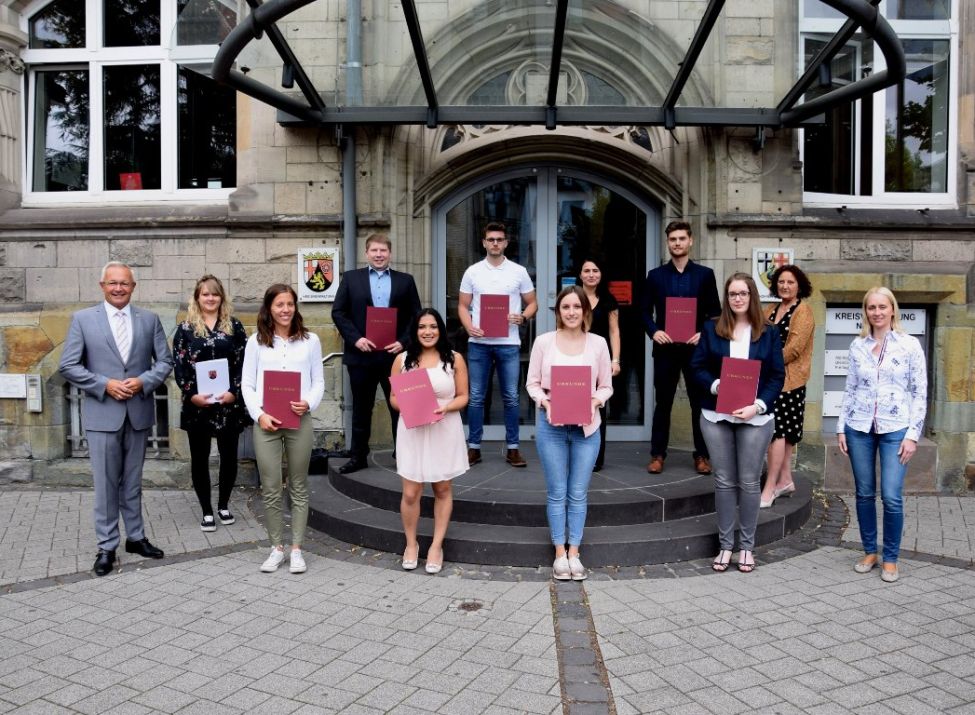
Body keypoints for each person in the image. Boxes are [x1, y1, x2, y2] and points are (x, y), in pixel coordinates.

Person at [59, 262, 173, 577]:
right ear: (102, 285)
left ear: (133, 286)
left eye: (124, 283)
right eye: (113, 283)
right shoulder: (83, 320)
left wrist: (143, 382)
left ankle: (135, 538)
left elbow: (165, 361)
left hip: (137, 412)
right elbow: (68, 365)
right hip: (102, 414)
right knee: (106, 485)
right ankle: (107, 545)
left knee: (133, 482)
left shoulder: (149, 320)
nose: (119, 288)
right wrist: (105, 384)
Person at [691, 273, 784, 574]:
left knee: (748, 481)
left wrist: (757, 405)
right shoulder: (712, 327)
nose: (738, 298)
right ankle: (725, 545)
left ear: (752, 296)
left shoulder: (767, 331)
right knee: (724, 480)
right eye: (732, 294)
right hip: (716, 416)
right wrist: (717, 386)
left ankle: (746, 546)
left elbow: (776, 376)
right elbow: (697, 367)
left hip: (755, 418)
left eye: (743, 293)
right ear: (726, 298)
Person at [838, 287, 926, 584]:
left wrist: (913, 434)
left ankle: (890, 558)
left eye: (882, 307)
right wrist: (841, 427)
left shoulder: (910, 345)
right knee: (864, 494)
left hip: (895, 429)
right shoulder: (857, 346)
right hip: (859, 427)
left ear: (892, 310)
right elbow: (849, 389)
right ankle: (869, 551)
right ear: (866, 312)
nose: (877, 312)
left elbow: (919, 393)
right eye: (871, 307)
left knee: (891, 496)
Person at [526, 286, 613, 581]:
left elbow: (606, 385)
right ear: (558, 311)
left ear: (585, 310)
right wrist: (545, 401)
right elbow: (532, 383)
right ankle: (559, 553)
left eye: (577, 307)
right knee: (557, 492)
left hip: (587, 429)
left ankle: (574, 552)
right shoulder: (543, 342)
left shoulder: (599, 343)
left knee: (577, 493)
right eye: (566, 307)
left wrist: (595, 400)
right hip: (551, 426)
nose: (572, 312)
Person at [241, 284, 324, 574]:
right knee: (271, 486)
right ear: (269, 308)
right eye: (280, 305)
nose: (286, 310)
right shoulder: (257, 342)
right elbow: (247, 385)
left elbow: (318, 382)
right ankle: (276, 547)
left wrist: (308, 402)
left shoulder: (311, 341)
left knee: (299, 485)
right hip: (266, 423)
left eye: (290, 304)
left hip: (299, 421)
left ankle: (297, 548)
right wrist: (259, 414)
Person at [332, 234, 421, 475]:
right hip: (362, 356)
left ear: (390, 253)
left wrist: (403, 342)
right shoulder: (351, 279)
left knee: (401, 409)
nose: (379, 254)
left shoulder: (406, 281)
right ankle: (358, 457)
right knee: (361, 409)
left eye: (383, 250)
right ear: (367, 253)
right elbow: (339, 312)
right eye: (374, 250)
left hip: (396, 357)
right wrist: (356, 339)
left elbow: (416, 316)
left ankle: (403, 455)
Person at [389, 309, 469, 574]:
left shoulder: (454, 359)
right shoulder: (402, 359)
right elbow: (393, 397)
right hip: (413, 430)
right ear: (415, 330)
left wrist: (444, 409)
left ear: (440, 330)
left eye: (433, 326)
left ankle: (436, 545)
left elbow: (463, 396)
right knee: (411, 492)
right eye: (422, 326)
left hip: (443, 428)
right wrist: (408, 407)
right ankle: (410, 544)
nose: (427, 331)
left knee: (442, 489)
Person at [642, 221, 721, 475]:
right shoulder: (655, 276)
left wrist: (703, 334)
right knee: (662, 403)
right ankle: (657, 455)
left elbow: (715, 314)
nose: (677, 243)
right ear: (668, 243)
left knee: (699, 403)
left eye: (681, 239)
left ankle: (701, 455)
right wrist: (655, 331)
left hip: (696, 351)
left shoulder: (705, 275)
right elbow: (643, 312)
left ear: (691, 241)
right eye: (673, 239)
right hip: (665, 350)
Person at [173, 275, 249, 532]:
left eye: (215, 294)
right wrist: (191, 393)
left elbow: (244, 363)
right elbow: (180, 365)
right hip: (198, 406)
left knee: (229, 458)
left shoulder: (234, 327)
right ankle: (206, 509)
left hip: (228, 405)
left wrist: (234, 392)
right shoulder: (185, 329)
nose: (210, 298)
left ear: (221, 298)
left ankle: (224, 504)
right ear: (197, 297)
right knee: (200, 458)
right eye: (205, 294)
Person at [458, 221, 538, 468]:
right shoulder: (472, 271)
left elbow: (532, 303)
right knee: (476, 398)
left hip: (508, 343)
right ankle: (473, 448)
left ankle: (513, 448)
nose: (495, 243)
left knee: (512, 397)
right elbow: (462, 305)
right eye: (490, 239)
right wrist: (468, 325)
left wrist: (523, 316)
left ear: (506, 242)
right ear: (484, 243)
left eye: (499, 239)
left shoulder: (518, 271)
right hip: (479, 343)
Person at [759, 265, 815, 508]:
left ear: (799, 285)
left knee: (778, 434)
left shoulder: (803, 312)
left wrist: (765, 362)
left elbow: (794, 349)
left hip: (789, 381)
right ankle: (784, 480)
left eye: (790, 282)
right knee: (783, 436)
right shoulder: (770, 309)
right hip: (772, 378)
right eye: (781, 282)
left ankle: (770, 488)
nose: (785, 286)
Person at [578, 259, 621, 471]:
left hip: (601, 361)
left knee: (598, 409)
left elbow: (614, 331)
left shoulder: (609, 300)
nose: (591, 274)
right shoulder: (573, 298)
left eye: (595, 270)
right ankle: (577, 454)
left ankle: (596, 458)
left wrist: (616, 360)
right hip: (576, 359)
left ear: (601, 275)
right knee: (576, 406)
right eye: (587, 271)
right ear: (580, 274)